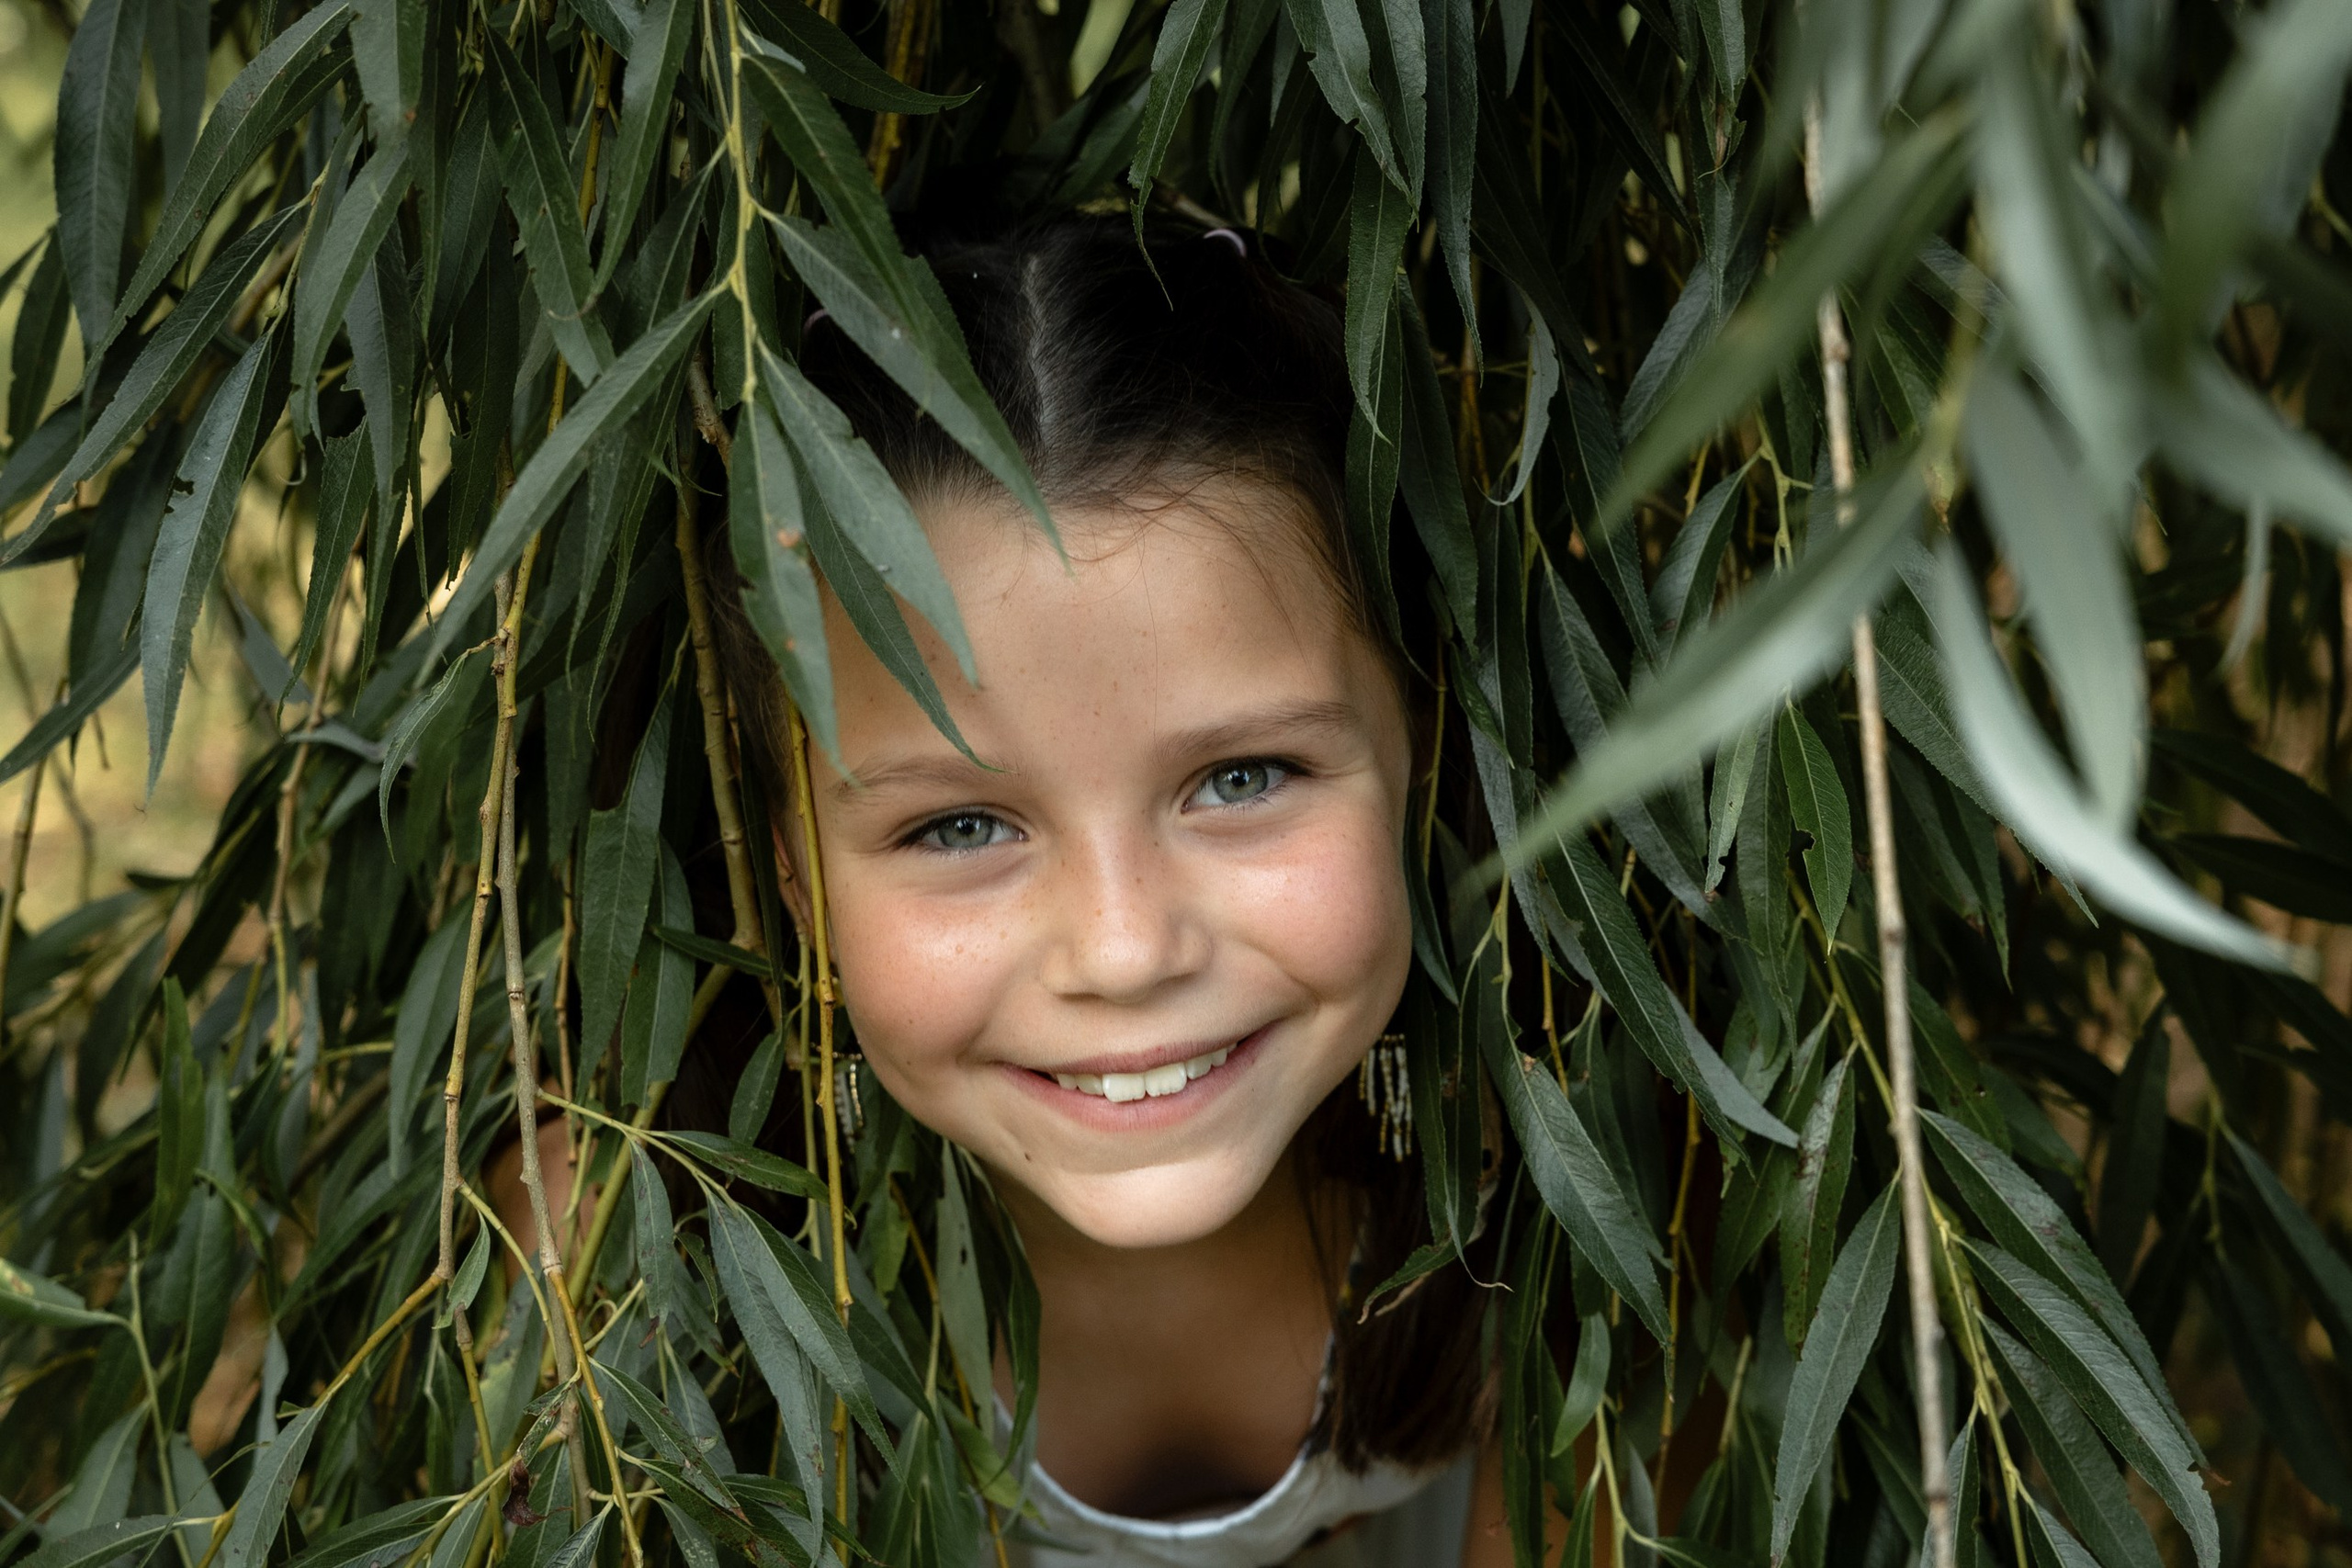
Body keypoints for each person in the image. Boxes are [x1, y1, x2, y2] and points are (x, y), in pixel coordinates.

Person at [709, 217, 1524, 1568]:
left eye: (1244, 779)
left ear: (1420, 756)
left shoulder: (1562, 1228)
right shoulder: (631, 1276)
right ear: (795, 873)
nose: (1125, 948)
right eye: (961, 823)